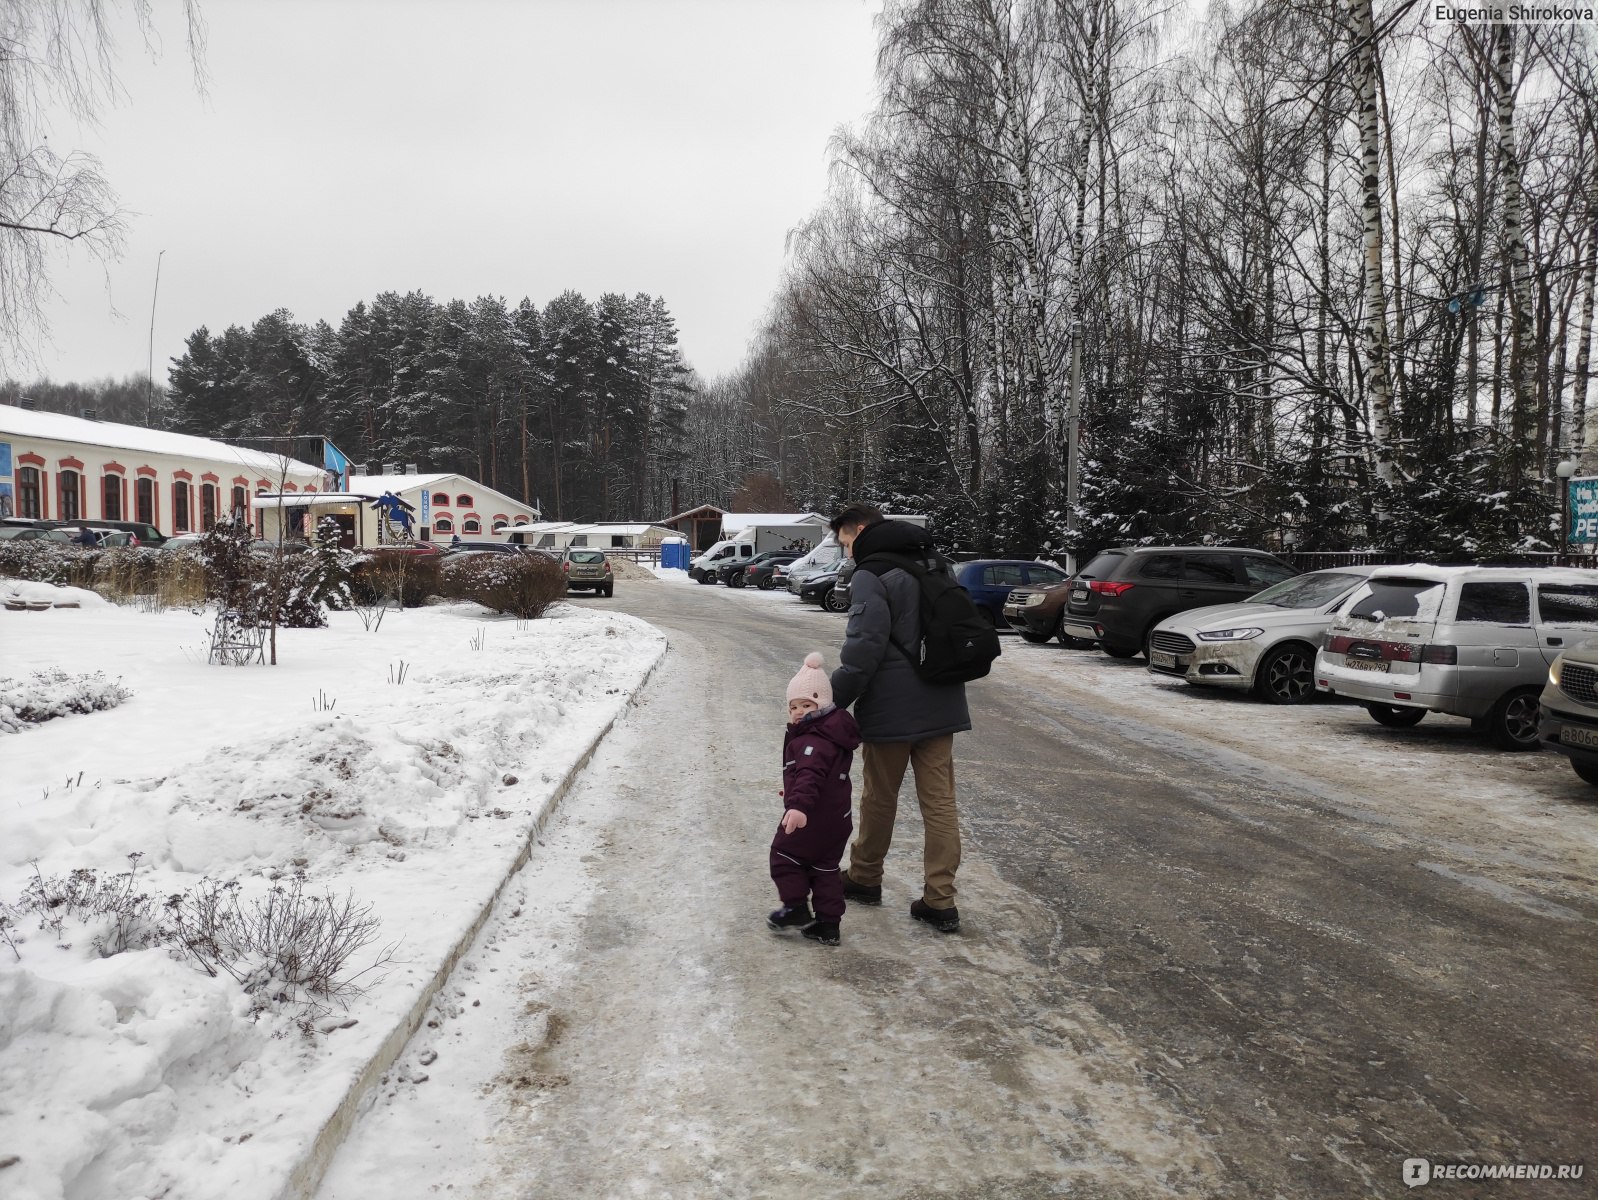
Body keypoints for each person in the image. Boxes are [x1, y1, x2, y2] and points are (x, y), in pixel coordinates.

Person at [829, 504, 971, 933]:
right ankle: (940, 900)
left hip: (891, 707)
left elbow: (864, 646)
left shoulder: (872, 573)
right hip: (943, 699)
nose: (847, 553)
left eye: (846, 542)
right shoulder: (934, 561)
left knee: (879, 797)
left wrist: (832, 701)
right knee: (940, 803)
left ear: (859, 529)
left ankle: (865, 877)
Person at [768, 652, 862, 947]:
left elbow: (809, 776)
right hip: (837, 820)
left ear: (820, 703)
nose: (798, 712)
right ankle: (828, 925)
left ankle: (795, 906)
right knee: (824, 869)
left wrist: (797, 807)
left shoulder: (812, 741)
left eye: (806, 705)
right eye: (794, 706)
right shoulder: (832, 733)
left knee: (784, 855)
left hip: (812, 816)